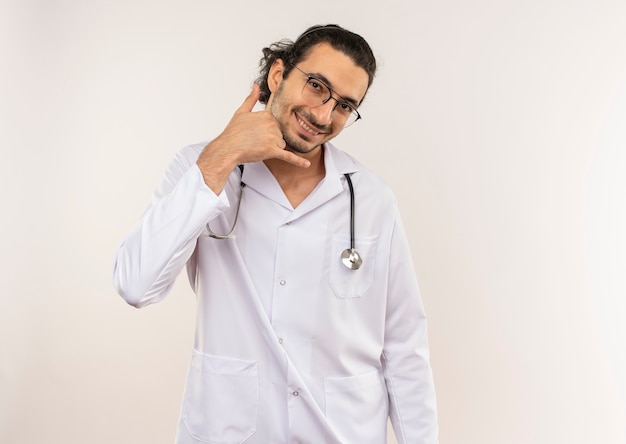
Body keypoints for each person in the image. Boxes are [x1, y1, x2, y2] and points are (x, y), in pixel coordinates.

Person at [113, 24, 438, 444]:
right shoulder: (200, 168)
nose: (323, 115)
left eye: (343, 105)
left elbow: (404, 344)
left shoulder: (370, 196)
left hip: (340, 432)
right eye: (317, 86)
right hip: (230, 430)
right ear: (277, 75)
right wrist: (222, 156)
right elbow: (136, 284)